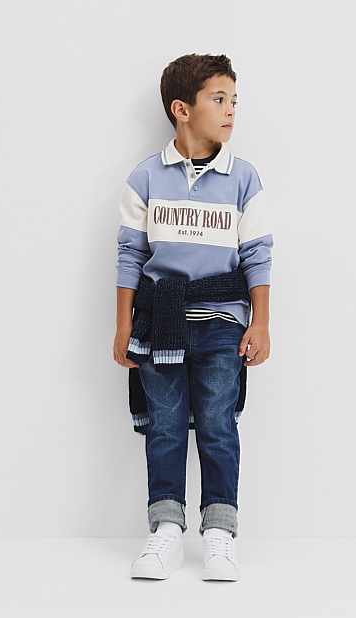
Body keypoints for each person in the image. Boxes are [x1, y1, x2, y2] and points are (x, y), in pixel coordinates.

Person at [113, 53, 273, 581]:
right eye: (218, 99)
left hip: (223, 324)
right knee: (164, 427)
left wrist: (260, 322)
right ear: (181, 109)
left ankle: (219, 534)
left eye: (234, 101)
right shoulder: (146, 177)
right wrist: (122, 324)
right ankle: (165, 530)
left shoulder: (243, 178)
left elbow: (257, 255)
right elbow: (131, 254)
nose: (230, 111)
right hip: (159, 323)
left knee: (218, 426)